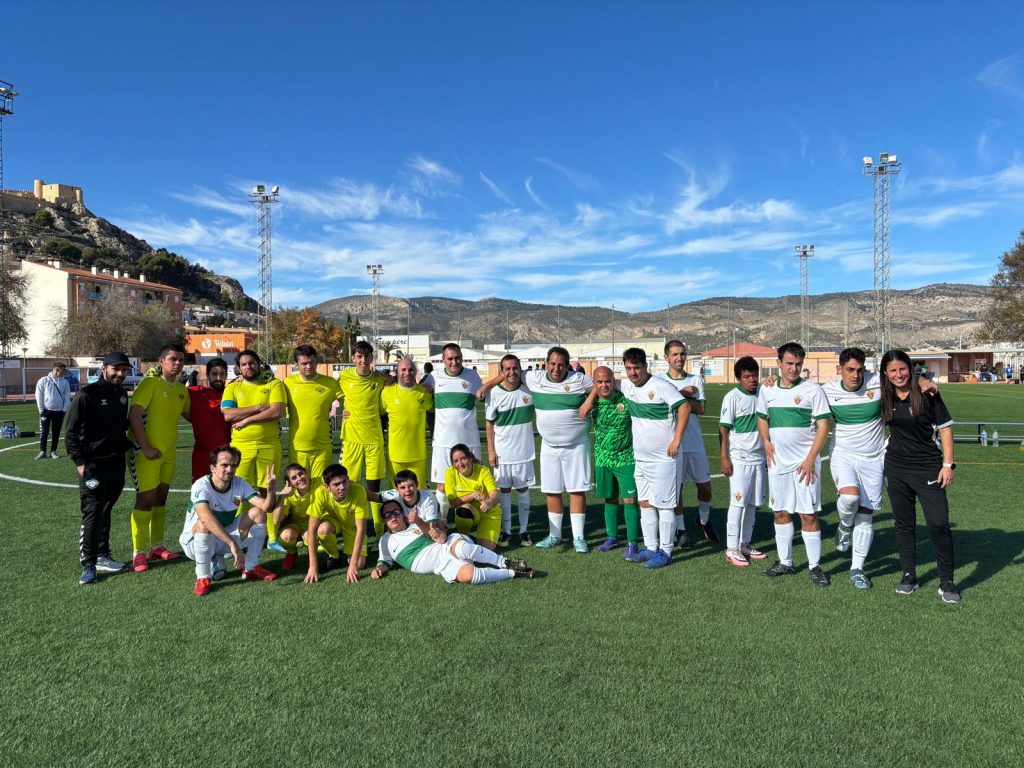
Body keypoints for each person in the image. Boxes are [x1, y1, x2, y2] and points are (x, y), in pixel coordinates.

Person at [485, 346, 592, 552]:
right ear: (546, 363)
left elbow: (600, 382)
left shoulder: (578, 379)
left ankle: (578, 538)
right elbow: (509, 372)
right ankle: (555, 535)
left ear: (567, 366)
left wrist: (588, 401)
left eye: (561, 365)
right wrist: (486, 386)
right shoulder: (534, 377)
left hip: (576, 445)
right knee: (552, 491)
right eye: (553, 364)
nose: (556, 368)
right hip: (549, 446)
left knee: (576, 490)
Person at [880, 350, 960, 603]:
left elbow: (945, 429)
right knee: (904, 524)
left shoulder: (928, 393)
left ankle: (946, 581)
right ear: (885, 374)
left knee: (938, 523)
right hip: (896, 468)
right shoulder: (884, 394)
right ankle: (909, 576)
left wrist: (948, 465)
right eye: (893, 371)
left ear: (910, 368)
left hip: (928, 468)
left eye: (902, 369)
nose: (898, 375)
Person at [756, 342, 832, 587]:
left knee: (808, 514)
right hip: (778, 463)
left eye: (798, 364)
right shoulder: (767, 390)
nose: (794, 368)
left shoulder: (813, 390)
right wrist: (766, 441)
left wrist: (810, 459)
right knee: (780, 512)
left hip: (805, 465)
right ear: (779, 363)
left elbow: (823, 426)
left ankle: (815, 566)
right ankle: (785, 562)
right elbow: (762, 418)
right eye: (789, 363)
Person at [614, 348, 690, 569]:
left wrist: (677, 439)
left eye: (637, 368)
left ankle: (666, 552)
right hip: (641, 459)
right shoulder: (627, 386)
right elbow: (601, 380)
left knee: (665, 506)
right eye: (628, 368)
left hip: (665, 459)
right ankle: (650, 547)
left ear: (645, 367)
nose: (632, 372)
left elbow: (685, 407)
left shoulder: (660, 386)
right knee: (645, 503)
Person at [66, 352, 133, 585]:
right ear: (104, 369)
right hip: (93, 464)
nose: (120, 374)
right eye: (116, 369)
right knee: (93, 512)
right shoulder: (87, 394)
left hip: (116, 462)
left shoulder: (122, 394)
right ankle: (88, 564)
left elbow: (119, 425)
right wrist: (79, 462)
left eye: (124, 370)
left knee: (105, 509)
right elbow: (71, 431)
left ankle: (103, 555)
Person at [179, 445, 278, 596]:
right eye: (224, 465)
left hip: (223, 537)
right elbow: (205, 518)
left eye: (233, 465)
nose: (229, 470)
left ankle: (251, 568)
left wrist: (270, 492)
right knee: (202, 525)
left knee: (258, 513)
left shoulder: (239, 483)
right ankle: (203, 578)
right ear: (213, 468)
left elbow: (266, 507)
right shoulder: (201, 485)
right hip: (193, 541)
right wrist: (233, 544)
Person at [127, 343, 191, 571]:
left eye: (181, 360)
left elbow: (192, 416)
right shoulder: (150, 383)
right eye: (173, 359)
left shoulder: (181, 390)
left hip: (169, 454)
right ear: (161, 362)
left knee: (161, 498)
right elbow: (134, 416)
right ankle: (138, 552)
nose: (178, 363)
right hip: (145, 453)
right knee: (145, 499)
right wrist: (145, 447)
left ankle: (156, 546)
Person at [372, 498, 536, 583]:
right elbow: (384, 562)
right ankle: (513, 573)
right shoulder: (385, 541)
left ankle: (505, 562)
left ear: (402, 514)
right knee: (469, 576)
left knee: (463, 549)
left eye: (396, 512)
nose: (393, 517)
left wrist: (421, 522)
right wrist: (378, 569)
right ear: (384, 521)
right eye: (388, 515)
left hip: (448, 545)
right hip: (441, 565)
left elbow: (441, 536)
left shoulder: (417, 522)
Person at [221, 348, 287, 537]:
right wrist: (258, 408)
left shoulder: (274, 384)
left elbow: (276, 411)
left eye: (252, 363)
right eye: (244, 364)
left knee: (268, 490)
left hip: (269, 445)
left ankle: (271, 536)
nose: (248, 367)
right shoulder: (233, 387)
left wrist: (246, 420)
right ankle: (237, 534)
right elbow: (228, 415)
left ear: (258, 364)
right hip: (241, 447)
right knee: (238, 491)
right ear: (239, 368)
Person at [659, 340, 717, 547]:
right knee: (677, 489)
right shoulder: (659, 381)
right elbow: (661, 407)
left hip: (694, 441)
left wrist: (675, 398)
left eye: (682, 354)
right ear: (666, 357)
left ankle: (703, 520)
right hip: (672, 443)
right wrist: (682, 394)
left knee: (705, 487)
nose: (679, 358)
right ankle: (681, 529)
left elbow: (700, 409)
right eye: (674, 354)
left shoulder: (695, 379)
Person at [718, 357, 768, 567]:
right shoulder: (732, 397)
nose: (752, 380)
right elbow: (723, 429)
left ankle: (744, 544)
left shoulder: (763, 393)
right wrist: (724, 457)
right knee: (737, 503)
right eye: (747, 376)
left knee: (752, 504)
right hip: (739, 459)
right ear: (739, 378)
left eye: (755, 375)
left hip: (759, 458)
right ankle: (731, 548)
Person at [588, 365, 641, 558]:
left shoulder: (625, 399)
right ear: (594, 384)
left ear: (614, 381)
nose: (604, 385)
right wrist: (589, 399)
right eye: (599, 382)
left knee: (630, 500)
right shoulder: (592, 403)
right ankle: (612, 538)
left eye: (608, 381)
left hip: (626, 458)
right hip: (603, 459)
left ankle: (633, 543)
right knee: (609, 499)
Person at [484, 354, 536, 547]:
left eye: (515, 368)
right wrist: (491, 450)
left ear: (520, 369)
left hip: (524, 453)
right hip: (502, 453)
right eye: (507, 369)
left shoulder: (530, 390)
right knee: (504, 491)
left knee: (523, 490)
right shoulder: (494, 393)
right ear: (501, 372)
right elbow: (489, 424)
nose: (512, 372)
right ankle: (506, 531)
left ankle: (523, 531)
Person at [338, 340, 388, 534]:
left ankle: (378, 525)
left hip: (374, 439)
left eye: (367, 356)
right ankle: (349, 523)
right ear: (353, 358)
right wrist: (343, 410)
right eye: (359, 356)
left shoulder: (379, 380)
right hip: (352, 439)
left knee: (374, 484)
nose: (363, 361)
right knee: (347, 483)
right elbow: (332, 394)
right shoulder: (344, 377)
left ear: (371, 358)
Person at [430, 343, 483, 522]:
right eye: (450, 359)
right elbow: (415, 388)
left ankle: (474, 521)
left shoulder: (472, 376)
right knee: (442, 485)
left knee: (474, 483)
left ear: (462, 357)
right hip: (443, 442)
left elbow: (485, 394)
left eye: (457, 358)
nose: (454, 362)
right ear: (443, 360)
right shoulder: (433, 377)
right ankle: (442, 522)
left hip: (469, 442)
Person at [283, 344, 342, 487]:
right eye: (304, 363)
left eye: (311, 362)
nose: (308, 366)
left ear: (317, 362)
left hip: (322, 447)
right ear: (296, 365)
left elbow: (350, 400)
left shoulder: (330, 383)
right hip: (297, 448)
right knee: (299, 489)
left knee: (320, 489)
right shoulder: (287, 384)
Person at [304, 463, 370, 584]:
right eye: (336, 484)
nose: (342, 487)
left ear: (348, 480)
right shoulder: (320, 493)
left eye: (344, 481)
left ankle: (350, 555)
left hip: (353, 527)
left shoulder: (359, 491)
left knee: (359, 564)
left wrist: (353, 565)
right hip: (333, 521)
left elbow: (361, 529)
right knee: (322, 530)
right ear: (327, 487)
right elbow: (311, 529)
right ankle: (335, 555)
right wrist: (313, 566)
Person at [381, 357, 434, 496]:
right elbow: (377, 412)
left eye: (410, 370)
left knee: (420, 493)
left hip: (418, 454)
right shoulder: (387, 393)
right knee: (397, 494)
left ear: (415, 371)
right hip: (395, 455)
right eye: (403, 370)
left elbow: (434, 409)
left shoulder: (425, 392)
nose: (407, 373)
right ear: (397, 372)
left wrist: (431, 391)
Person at [445, 443, 501, 551]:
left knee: (485, 549)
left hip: (488, 511)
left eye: (463, 458)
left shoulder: (483, 470)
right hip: (470, 510)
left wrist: (489, 502)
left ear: (470, 458)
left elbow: (495, 494)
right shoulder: (450, 473)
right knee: (463, 511)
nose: (460, 464)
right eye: (456, 461)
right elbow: (452, 503)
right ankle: (465, 537)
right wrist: (473, 495)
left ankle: (478, 539)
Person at [187, 358, 232, 481]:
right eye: (214, 374)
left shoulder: (232, 394)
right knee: (199, 490)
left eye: (222, 374)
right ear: (207, 375)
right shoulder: (194, 393)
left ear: (226, 375)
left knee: (225, 489)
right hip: (201, 455)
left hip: (226, 455)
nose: (218, 378)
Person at [272, 463, 317, 571]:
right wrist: (282, 496)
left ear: (307, 473)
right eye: (294, 478)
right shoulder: (289, 494)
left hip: (316, 522)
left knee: (309, 536)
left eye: (301, 474)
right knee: (286, 535)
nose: (299, 478)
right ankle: (291, 553)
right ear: (289, 483)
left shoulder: (318, 482)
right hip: (297, 525)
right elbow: (276, 520)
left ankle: (311, 555)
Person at [35, 361, 71, 460]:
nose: (62, 373)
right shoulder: (43, 380)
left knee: (56, 432)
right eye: (61, 371)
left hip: (59, 411)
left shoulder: (65, 382)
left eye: (63, 371)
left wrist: (64, 409)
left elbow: (67, 396)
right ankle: (42, 451)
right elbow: (38, 394)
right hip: (46, 411)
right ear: (56, 369)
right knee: (44, 432)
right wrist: (41, 409)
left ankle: (53, 452)